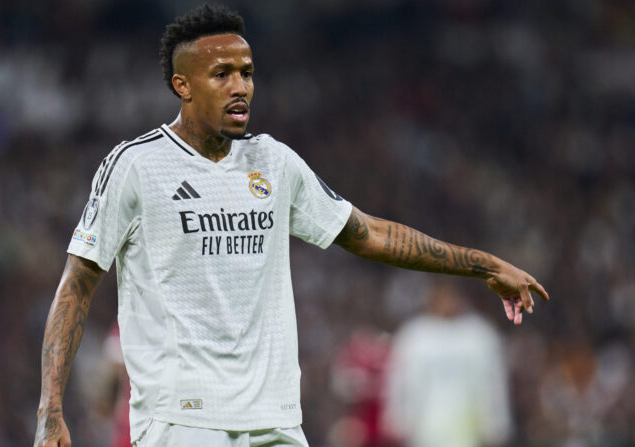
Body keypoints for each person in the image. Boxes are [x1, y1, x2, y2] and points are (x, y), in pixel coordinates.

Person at [33, 5, 550, 447]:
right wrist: (50, 409)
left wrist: (482, 266)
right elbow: (78, 283)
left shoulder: (273, 163)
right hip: (183, 420)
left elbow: (366, 234)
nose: (241, 87)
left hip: (275, 421)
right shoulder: (136, 166)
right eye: (222, 75)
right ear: (182, 86)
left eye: (247, 72)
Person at [384, 280, 511, 447]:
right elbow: (398, 380)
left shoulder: (479, 335)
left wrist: (496, 422)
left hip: (467, 429)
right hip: (423, 430)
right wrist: (396, 418)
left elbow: (493, 381)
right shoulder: (414, 336)